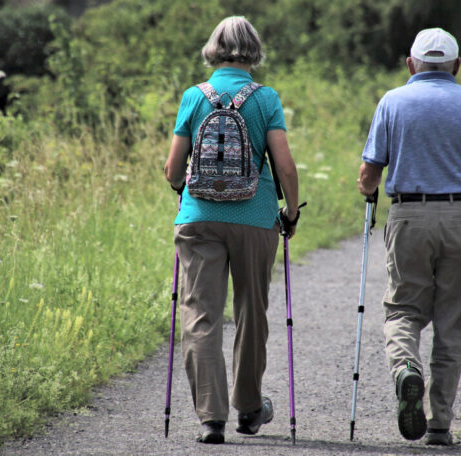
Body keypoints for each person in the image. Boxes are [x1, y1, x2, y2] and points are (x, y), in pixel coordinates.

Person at [357, 28, 461, 446]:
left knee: (403, 310)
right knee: (452, 322)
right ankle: (439, 422)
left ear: (411, 64)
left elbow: (369, 175)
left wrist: (367, 189)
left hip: (409, 217)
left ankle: (407, 368)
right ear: (457, 66)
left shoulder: (392, 101)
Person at [163, 16, 300, 444]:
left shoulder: (193, 96)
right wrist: (290, 212)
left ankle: (211, 418)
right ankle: (250, 408)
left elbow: (172, 169)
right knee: (251, 313)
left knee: (201, 315)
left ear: (214, 49)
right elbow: (284, 165)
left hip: (199, 218)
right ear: (254, 50)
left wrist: (188, 193)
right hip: (255, 217)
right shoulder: (266, 99)